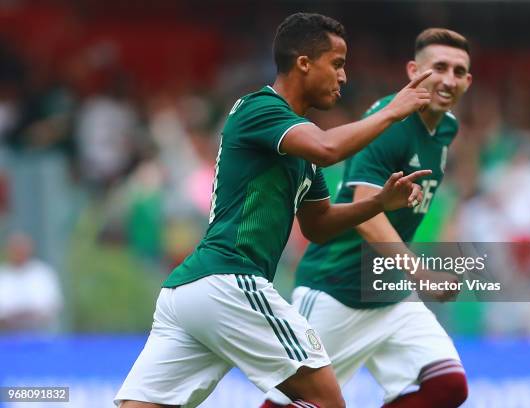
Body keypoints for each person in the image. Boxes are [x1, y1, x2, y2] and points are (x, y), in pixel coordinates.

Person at [115, 13, 435, 408]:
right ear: (304, 63)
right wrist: (391, 112)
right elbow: (328, 147)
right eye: (336, 63)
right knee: (327, 401)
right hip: (230, 279)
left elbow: (318, 225)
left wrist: (377, 203)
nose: (344, 77)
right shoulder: (259, 108)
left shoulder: (301, 151)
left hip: (191, 293)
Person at [263, 28, 472, 408]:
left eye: (459, 72)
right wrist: (420, 273)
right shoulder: (390, 124)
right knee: (295, 404)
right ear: (414, 71)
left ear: (468, 80)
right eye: (439, 67)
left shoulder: (447, 128)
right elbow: (365, 210)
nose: (448, 79)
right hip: (337, 289)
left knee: (447, 386)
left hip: (389, 294)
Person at [0, 232, 63, 331]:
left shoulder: (42, 273)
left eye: (22, 248)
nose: (19, 252)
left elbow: (53, 306)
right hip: (7, 336)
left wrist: (29, 318)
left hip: (40, 335)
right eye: (15, 248)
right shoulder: (3, 276)